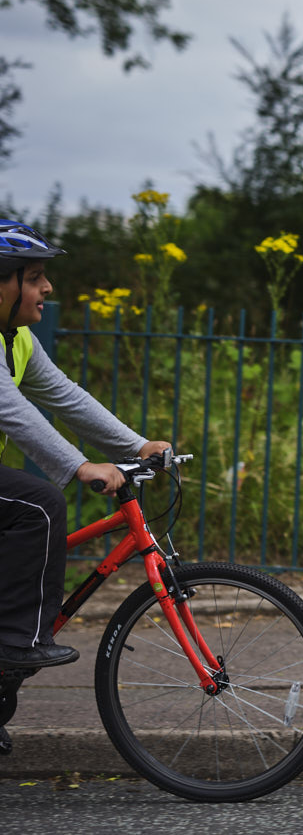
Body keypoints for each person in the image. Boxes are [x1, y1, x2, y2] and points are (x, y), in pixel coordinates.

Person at [0, 220, 173, 672]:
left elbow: (65, 397)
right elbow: (13, 411)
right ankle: (17, 641)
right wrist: (80, 467)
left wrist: (137, 446)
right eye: (34, 277)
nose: (47, 287)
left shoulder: (17, 339)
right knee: (38, 504)